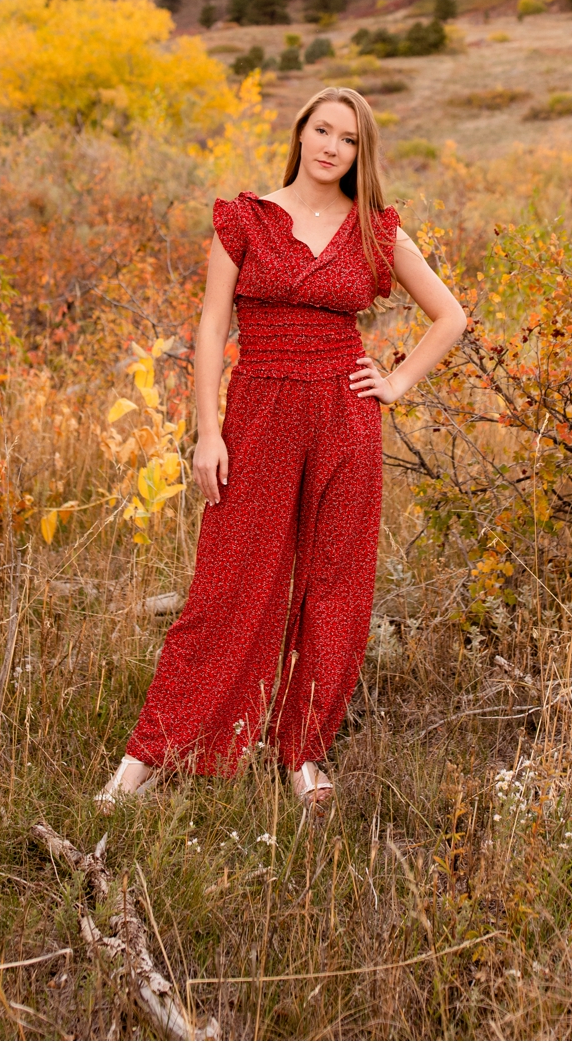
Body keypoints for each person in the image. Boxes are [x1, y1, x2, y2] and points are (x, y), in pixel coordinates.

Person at [97, 85, 466, 813]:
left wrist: (394, 381)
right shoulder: (245, 218)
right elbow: (210, 329)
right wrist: (208, 432)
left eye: (350, 139)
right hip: (259, 409)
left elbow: (450, 314)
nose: (332, 147)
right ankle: (147, 756)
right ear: (300, 134)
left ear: (363, 153)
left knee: (336, 583)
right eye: (322, 130)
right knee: (228, 581)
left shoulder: (375, 230)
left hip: (345, 413)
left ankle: (301, 752)